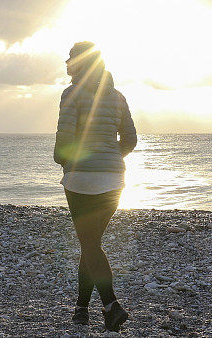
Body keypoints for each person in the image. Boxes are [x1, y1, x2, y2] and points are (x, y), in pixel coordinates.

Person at [53, 41, 137, 332]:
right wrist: (111, 156)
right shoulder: (117, 97)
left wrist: (63, 160)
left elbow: (65, 138)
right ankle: (81, 309)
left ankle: (112, 306)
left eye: (71, 59)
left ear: (79, 64)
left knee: (89, 244)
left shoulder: (71, 94)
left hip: (82, 178)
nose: (67, 63)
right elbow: (130, 139)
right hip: (114, 178)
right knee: (91, 245)